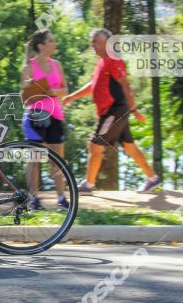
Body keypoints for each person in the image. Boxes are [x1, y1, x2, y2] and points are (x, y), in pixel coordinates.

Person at [63, 28, 161, 194]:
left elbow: (125, 84)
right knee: (129, 147)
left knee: (95, 145)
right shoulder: (103, 61)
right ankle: (153, 179)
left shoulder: (113, 59)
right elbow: (93, 86)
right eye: (92, 41)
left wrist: (134, 108)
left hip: (114, 111)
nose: (92, 44)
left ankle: (88, 185)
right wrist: (71, 97)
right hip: (113, 111)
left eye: (95, 41)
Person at [20, 29, 69, 210]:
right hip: (35, 118)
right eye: (51, 41)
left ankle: (62, 199)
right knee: (34, 160)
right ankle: (34, 199)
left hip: (56, 116)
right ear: (41, 46)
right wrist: (33, 90)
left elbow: (65, 90)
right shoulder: (28, 68)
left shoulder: (57, 65)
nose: (54, 44)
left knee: (57, 160)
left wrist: (54, 92)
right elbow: (24, 99)